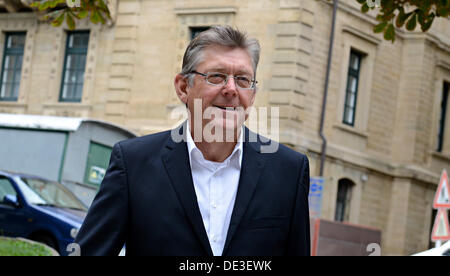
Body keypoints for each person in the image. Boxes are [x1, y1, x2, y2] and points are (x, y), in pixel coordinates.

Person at [75, 25, 310, 256]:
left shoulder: (289, 171)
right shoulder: (133, 163)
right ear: (183, 87)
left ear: (253, 93)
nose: (231, 89)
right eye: (216, 76)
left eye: (242, 79)